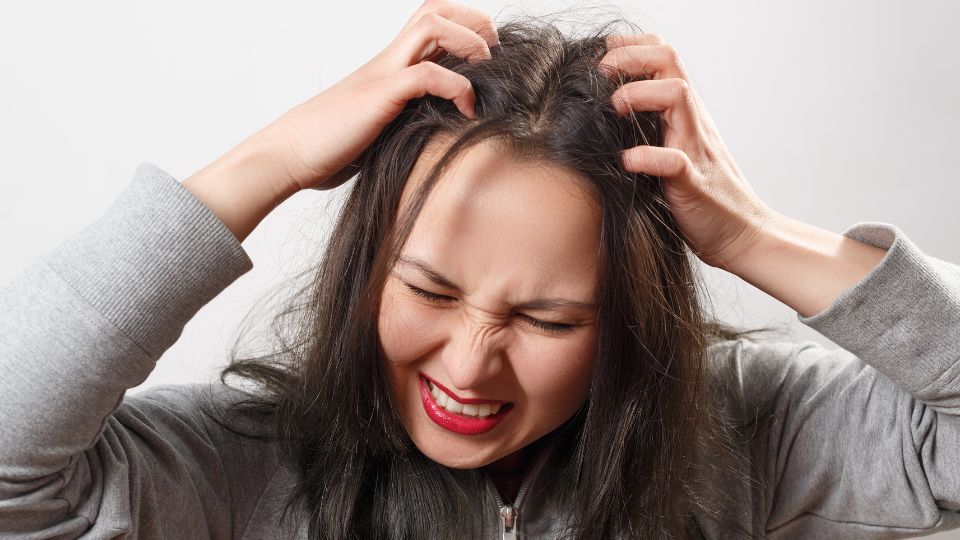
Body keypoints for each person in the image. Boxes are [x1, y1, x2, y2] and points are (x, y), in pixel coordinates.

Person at [1, 1, 959, 538]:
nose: (468, 366)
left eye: (549, 321)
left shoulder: (747, 431)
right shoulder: (240, 465)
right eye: (428, 290)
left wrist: (753, 235)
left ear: (630, 320)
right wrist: (268, 162)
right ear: (367, 269)